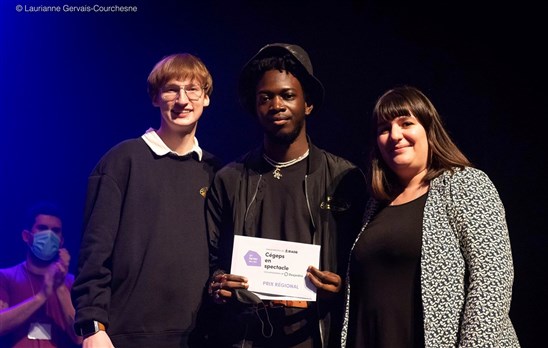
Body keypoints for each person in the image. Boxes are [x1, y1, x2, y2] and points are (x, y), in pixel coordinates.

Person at [204, 43, 367, 347]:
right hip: (246, 337)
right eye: (265, 98)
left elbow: (366, 264)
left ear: (308, 104)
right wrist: (217, 282)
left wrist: (343, 287)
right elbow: (211, 259)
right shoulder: (229, 178)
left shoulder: (345, 178)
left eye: (287, 95)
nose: (276, 105)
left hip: (316, 334)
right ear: (255, 106)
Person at [340, 85, 520, 347]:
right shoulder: (375, 205)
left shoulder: (465, 183)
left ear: (428, 130)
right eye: (384, 129)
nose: (395, 135)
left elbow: (492, 278)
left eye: (406, 123)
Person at [70, 53, 221, 348]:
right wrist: (93, 327)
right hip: (126, 336)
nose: (182, 100)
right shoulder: (122, 160)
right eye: (171, 89)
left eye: (192, 89)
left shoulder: (216, 172)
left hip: (199, 338)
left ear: (206, 98)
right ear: (156, 98)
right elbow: (94, 251)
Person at [0, 200, 82, 347]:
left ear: (61, 241)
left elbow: (79, 338)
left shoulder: (72, 283)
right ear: (27, 236)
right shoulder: (6, 277)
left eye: (55, 231)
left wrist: (61, 288)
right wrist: (41, 296)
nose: (49, 235)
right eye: (42, 228)